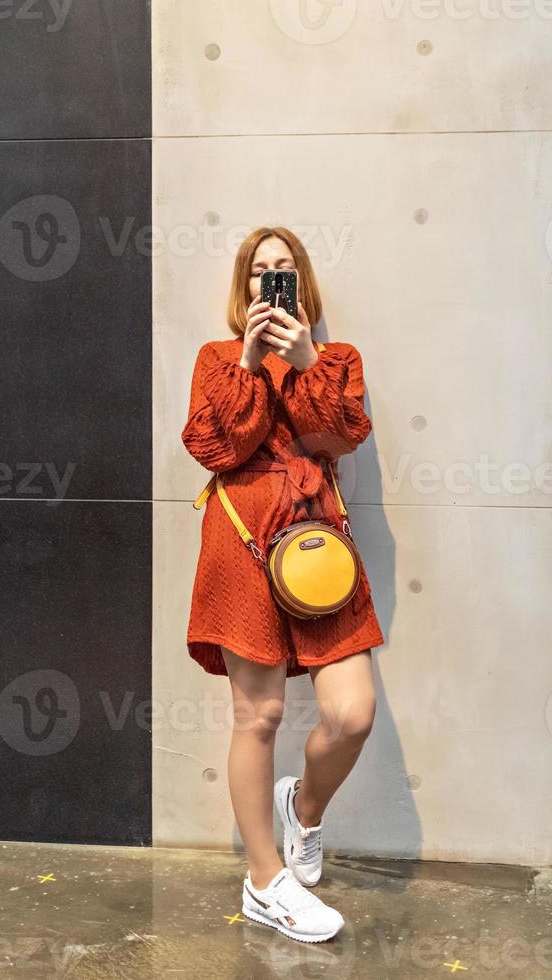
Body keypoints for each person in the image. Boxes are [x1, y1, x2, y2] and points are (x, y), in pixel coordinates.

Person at [181, 226, 385, 943]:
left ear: (302, 284)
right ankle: (266, 881)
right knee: (258, 717)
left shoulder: (336, 360)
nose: (272, 280)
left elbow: (338, 438)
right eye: (260, 271)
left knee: (351, 712)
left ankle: (302, 809)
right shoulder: (215, 360)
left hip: (317, 550)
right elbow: (216, 447)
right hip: (241, 547)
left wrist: (303, 363)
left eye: (284, 269)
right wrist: (247, 361)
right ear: (244, 290)